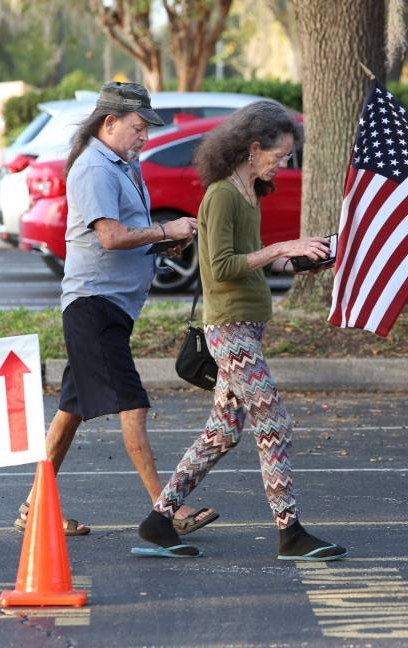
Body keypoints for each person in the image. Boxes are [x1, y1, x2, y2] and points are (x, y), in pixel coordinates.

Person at [135, 101, 347, 561]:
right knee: (274, 423)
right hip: (229, 330)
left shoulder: (248, 194)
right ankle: (290, 533)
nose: (284, 163)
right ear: (253, 149)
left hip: (246, 327)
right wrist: (281, 247)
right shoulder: (223, 196)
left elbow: (255, 261)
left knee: (223, 433)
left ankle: (158, 520)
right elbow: (221, 267)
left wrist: (303, 260)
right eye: (280, 155)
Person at [15, 81, 218, 537]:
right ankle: (166, 510)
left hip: (112, 308)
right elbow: (109, 236)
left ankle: (33, 509)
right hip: (94, 307)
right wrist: (165, 231)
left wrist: (167, 245)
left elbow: (128, 236)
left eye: (147, 127)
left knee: (70, 411)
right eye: (138, 127)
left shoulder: (124, 165)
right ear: (110, 123)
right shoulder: (94, 169)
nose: (145, 136)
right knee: (133, 403)